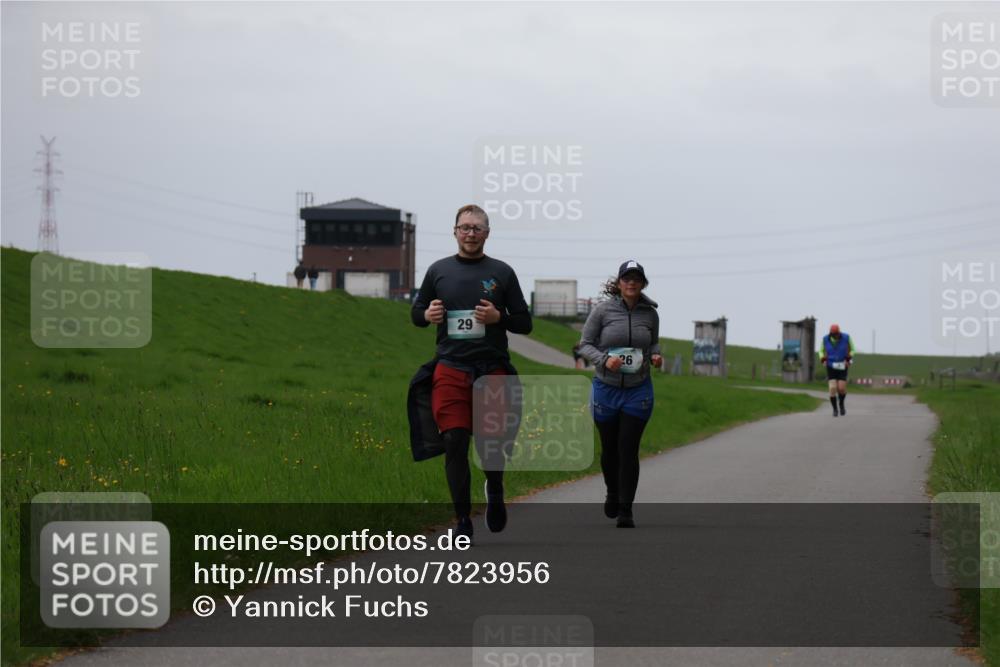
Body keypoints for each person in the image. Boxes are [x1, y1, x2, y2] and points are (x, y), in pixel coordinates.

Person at [408, 204, 532, 540]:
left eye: (477, 228)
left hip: (492, 369)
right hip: (451, 366)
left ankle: (494, 488)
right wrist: (427, 314)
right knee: (454, 439)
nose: (471, 233)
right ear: (455, 231)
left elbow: (525, 322)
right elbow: (416, 312)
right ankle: (462, 519)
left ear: (487, 233)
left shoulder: (502, 272)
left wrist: (499, 318)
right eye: (465, 227)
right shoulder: (438, 271)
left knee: (491, 444)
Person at [577, 260, 663, 528]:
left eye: (637, 279)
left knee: (628, 449)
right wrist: (604, 359)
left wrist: (657, 355)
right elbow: (584, 345)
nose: (631, 283)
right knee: (610, 449)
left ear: (643, 283)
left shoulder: (650, 314)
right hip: (606, 388)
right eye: (627, 278)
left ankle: (626, 509)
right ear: (619, 282)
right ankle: (612, 491)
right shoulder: (603, 311)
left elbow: (654, 342)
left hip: (638, 389)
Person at [820, 323, 855, 417]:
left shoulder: (846, 337)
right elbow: (820, 351)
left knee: (841, 388)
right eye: (834, 335)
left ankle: (841, 404)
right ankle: (835, 409)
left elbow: (853, 349)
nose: (836, 336)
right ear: (831, 334)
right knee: (832, 389)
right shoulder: (825, 339)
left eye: (837, 334)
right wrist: (822, 359)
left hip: (842, 365)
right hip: (831, 366)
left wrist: (849, 357)